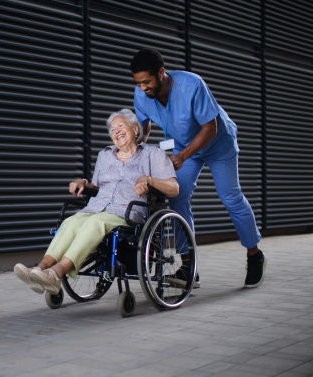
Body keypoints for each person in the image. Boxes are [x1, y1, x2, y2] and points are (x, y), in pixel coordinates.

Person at [130, 48, 266, 288]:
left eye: (147, 82)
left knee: (230, 197)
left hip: (218, 145)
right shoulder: (141, 94)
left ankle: (254, 255)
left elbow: (210, 128)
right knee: (176, 196)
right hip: (185, 147)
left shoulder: (191, 85)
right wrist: (133, 144)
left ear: (161, 73)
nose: (142, 88)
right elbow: (144, 128)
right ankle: (188, 266)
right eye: (138, 83)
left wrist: (182, 156)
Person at [14, 109, 179, 295]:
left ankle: (56, 273)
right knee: (71, 222)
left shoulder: (153, 154)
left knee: (94, 223)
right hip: (98, 207)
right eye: (112, 129)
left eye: (120, 126)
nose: (116, 131)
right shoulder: (105, 155)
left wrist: (149, 180)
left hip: (127, 212)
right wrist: (84, 183)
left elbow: (174, 188)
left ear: (135, 129)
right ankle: (39, 270)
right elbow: (98, 187)